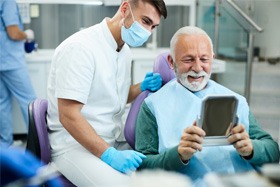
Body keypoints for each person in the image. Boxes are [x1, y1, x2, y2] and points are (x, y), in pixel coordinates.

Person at [135, 26, 280, 186]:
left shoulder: (235, 101)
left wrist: (251, 149)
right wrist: (178, 155)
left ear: (212, 59)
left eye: (204, 59)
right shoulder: (153, 105)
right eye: (188, 60)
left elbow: (273, 150)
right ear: (171, 61)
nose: (197, 68)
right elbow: (142, 165)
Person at [46, 0, 167, 186]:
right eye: (145, 21)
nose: (148, 32)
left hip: (108, 141)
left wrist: (141, 86)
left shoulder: (124, 51)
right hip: (73, 147)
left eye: (153, 26)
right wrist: (109, 155)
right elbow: (68, 115)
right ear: (125, 8)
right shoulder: (81, 47)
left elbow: (115, 97)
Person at [0, 0, 36, 147]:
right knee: (30, 102)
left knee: (2, 102)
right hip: (10, 60)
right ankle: (38, 144)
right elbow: (14, 33)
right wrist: (26, 34)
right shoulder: (7, 1)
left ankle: (4, 145)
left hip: (2, 59)